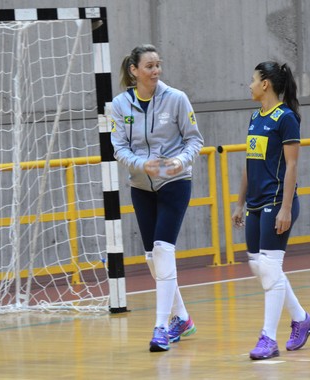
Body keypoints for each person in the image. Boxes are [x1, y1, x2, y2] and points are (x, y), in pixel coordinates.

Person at [110, 44, 204, 352]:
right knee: (152, 258)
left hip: (175, 182)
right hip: (141, 185)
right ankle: (183, 318)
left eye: (158, 65)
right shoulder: (120, 104)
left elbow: (194, 139)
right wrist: (141, 164)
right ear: (134, 71)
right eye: (149, 66)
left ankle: (161, 327)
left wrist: (179, 162)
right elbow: (119, 148)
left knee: (163, 251)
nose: (156, 71)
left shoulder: (176, 98)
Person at [231, 61, 310, 360]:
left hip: (276, 202)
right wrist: (239, 202)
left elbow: (292, 165)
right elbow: (249, 162)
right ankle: (302, 318)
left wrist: (285, 208)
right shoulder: (256, 117)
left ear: (266, 83)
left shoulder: (286, 118)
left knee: (270, 269)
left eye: (253, 79)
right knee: (259, 266)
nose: (250, 84)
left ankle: (268, 338)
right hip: (255, 203)